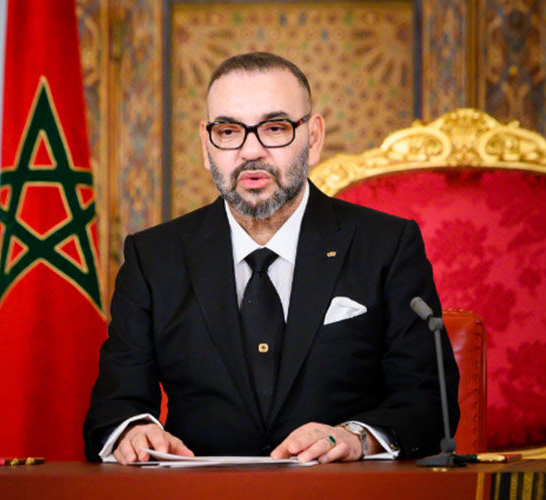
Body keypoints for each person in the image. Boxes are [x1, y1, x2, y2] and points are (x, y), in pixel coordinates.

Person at [83, 52, 459, 465]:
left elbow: (429, 402)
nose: (250, 151)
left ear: (313, 138)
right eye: (228, 131)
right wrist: (133, 431)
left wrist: (357, 438)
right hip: (201, 493)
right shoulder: (152, 258)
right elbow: (114, 409)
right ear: (206, 145)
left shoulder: (387, 245)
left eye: (275, 128)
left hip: (340, 489)